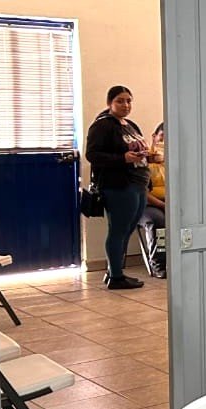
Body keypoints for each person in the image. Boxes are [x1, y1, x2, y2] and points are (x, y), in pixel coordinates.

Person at [86, 85, 149, 289]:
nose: (125, 105)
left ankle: (114, 270)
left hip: (138, 183)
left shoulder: (130, 125)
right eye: (120, 101)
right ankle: (116, 277)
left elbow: (139, 149)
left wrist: (149, 156)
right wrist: (122, 158)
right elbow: (92, 155)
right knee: (118, 230)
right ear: (109, 103)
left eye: (129, 101)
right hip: (119, 186)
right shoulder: (102, 125)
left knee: (127, 229)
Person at [141, 123, 166, 277]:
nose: (164, 143)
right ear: (154, 137)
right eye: (162, 137)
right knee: (159, 221)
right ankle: (159, 264)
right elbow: (142, 193)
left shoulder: (175, 160)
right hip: (148, 204)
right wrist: (163, 205)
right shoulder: (143, 160)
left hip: (171, 203)